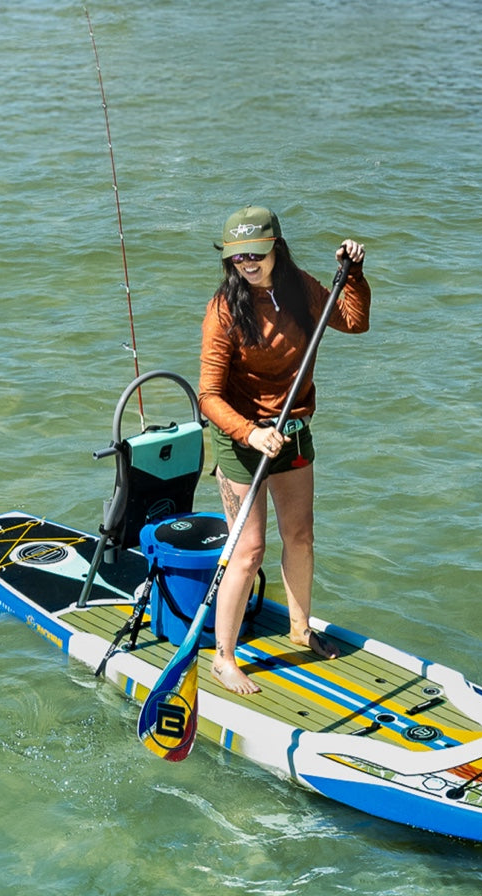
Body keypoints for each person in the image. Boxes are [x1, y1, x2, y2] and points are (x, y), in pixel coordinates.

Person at [198, 206, 371, 695]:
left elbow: (355, 321)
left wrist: (353, 274)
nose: (247, 264)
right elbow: (209, 396)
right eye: (236, 257)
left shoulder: (303, 289)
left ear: (277, 246)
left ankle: (300, 628)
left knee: (301, 537)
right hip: (241, 437)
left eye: (255, 253)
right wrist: (250, 433)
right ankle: (223, 658)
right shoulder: (224, 310)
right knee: (248, 549)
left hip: (293, 429)